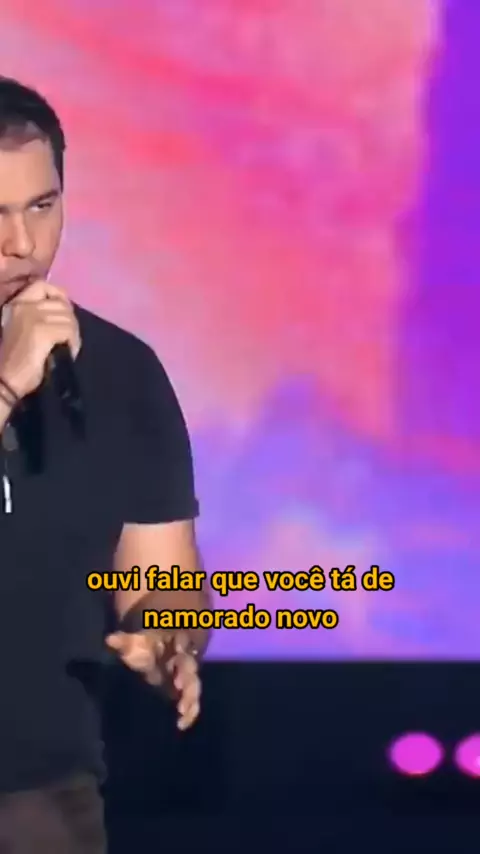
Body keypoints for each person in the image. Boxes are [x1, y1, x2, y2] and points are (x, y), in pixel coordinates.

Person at [0, 76, 210, 852]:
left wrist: (168, 637)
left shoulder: (122, 372)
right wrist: (7, 383)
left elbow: (163, 577)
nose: (23, 243)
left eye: (41, 206)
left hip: (44, 800)